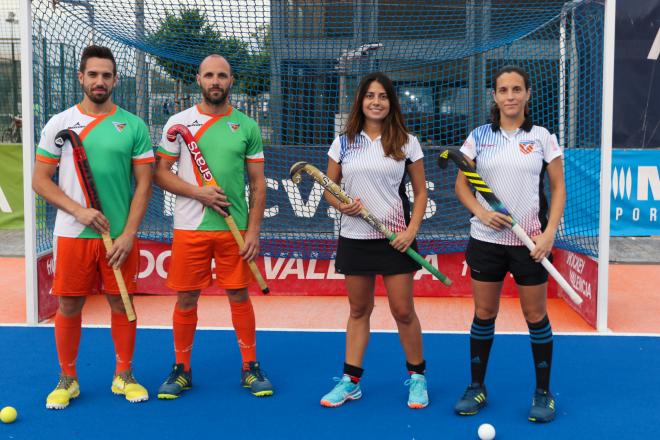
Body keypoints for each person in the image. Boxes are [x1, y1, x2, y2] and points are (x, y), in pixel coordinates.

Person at [32, 45, 154, 409]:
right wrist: (78, 211)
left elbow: (144, 186)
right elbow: (41, 180)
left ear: (115, 80)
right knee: (69, 305)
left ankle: (124, 375)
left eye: (106, 75)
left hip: (118, 238)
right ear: (81, 77)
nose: (99, 81)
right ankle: (67, 379)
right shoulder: (59, 123)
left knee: (122, 302)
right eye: (93, 74)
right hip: (72, 234)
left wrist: (129, 234)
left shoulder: (133, 125)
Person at [154, 54, 273, 399]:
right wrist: (197, 193)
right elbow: (159, 173)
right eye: (209, 75)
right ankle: (181, 369)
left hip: (233, 228)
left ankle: (250, 366)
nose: (216, 81)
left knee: (238, 293)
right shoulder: (179, 122)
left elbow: (258, 183)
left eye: (222, 75)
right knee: (187, 296)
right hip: (190, 227)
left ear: (231, 81)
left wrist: (253, 231)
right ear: (199, 79)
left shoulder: (247, 126)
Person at [452, 65, 566, 423]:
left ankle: (543, 393)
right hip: (486, 241)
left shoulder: (544, 137)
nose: (510, 96)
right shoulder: (479, 136)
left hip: (530, 242)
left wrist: (549, 235)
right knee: (484, 314)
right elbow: (461, 186)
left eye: (517, 89)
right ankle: (476, 387)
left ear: (527, 94)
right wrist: (482, 214)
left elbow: (558, 188)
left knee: (535, 316)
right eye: (503, 90)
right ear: (495, 96)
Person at [319, 72, 429, 409]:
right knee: (358, 309)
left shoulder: (407, 142)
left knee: (403, 311)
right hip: (355, 237)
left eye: (382, 96)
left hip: (395, 238)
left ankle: (417, 378)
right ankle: (350, 382)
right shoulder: (344, 143)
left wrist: (410, 231)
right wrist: (342, 205)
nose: (376, 101)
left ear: (390, 102)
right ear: (361, 101)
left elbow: (421, 192)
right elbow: (329, 191)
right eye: (370, 96)